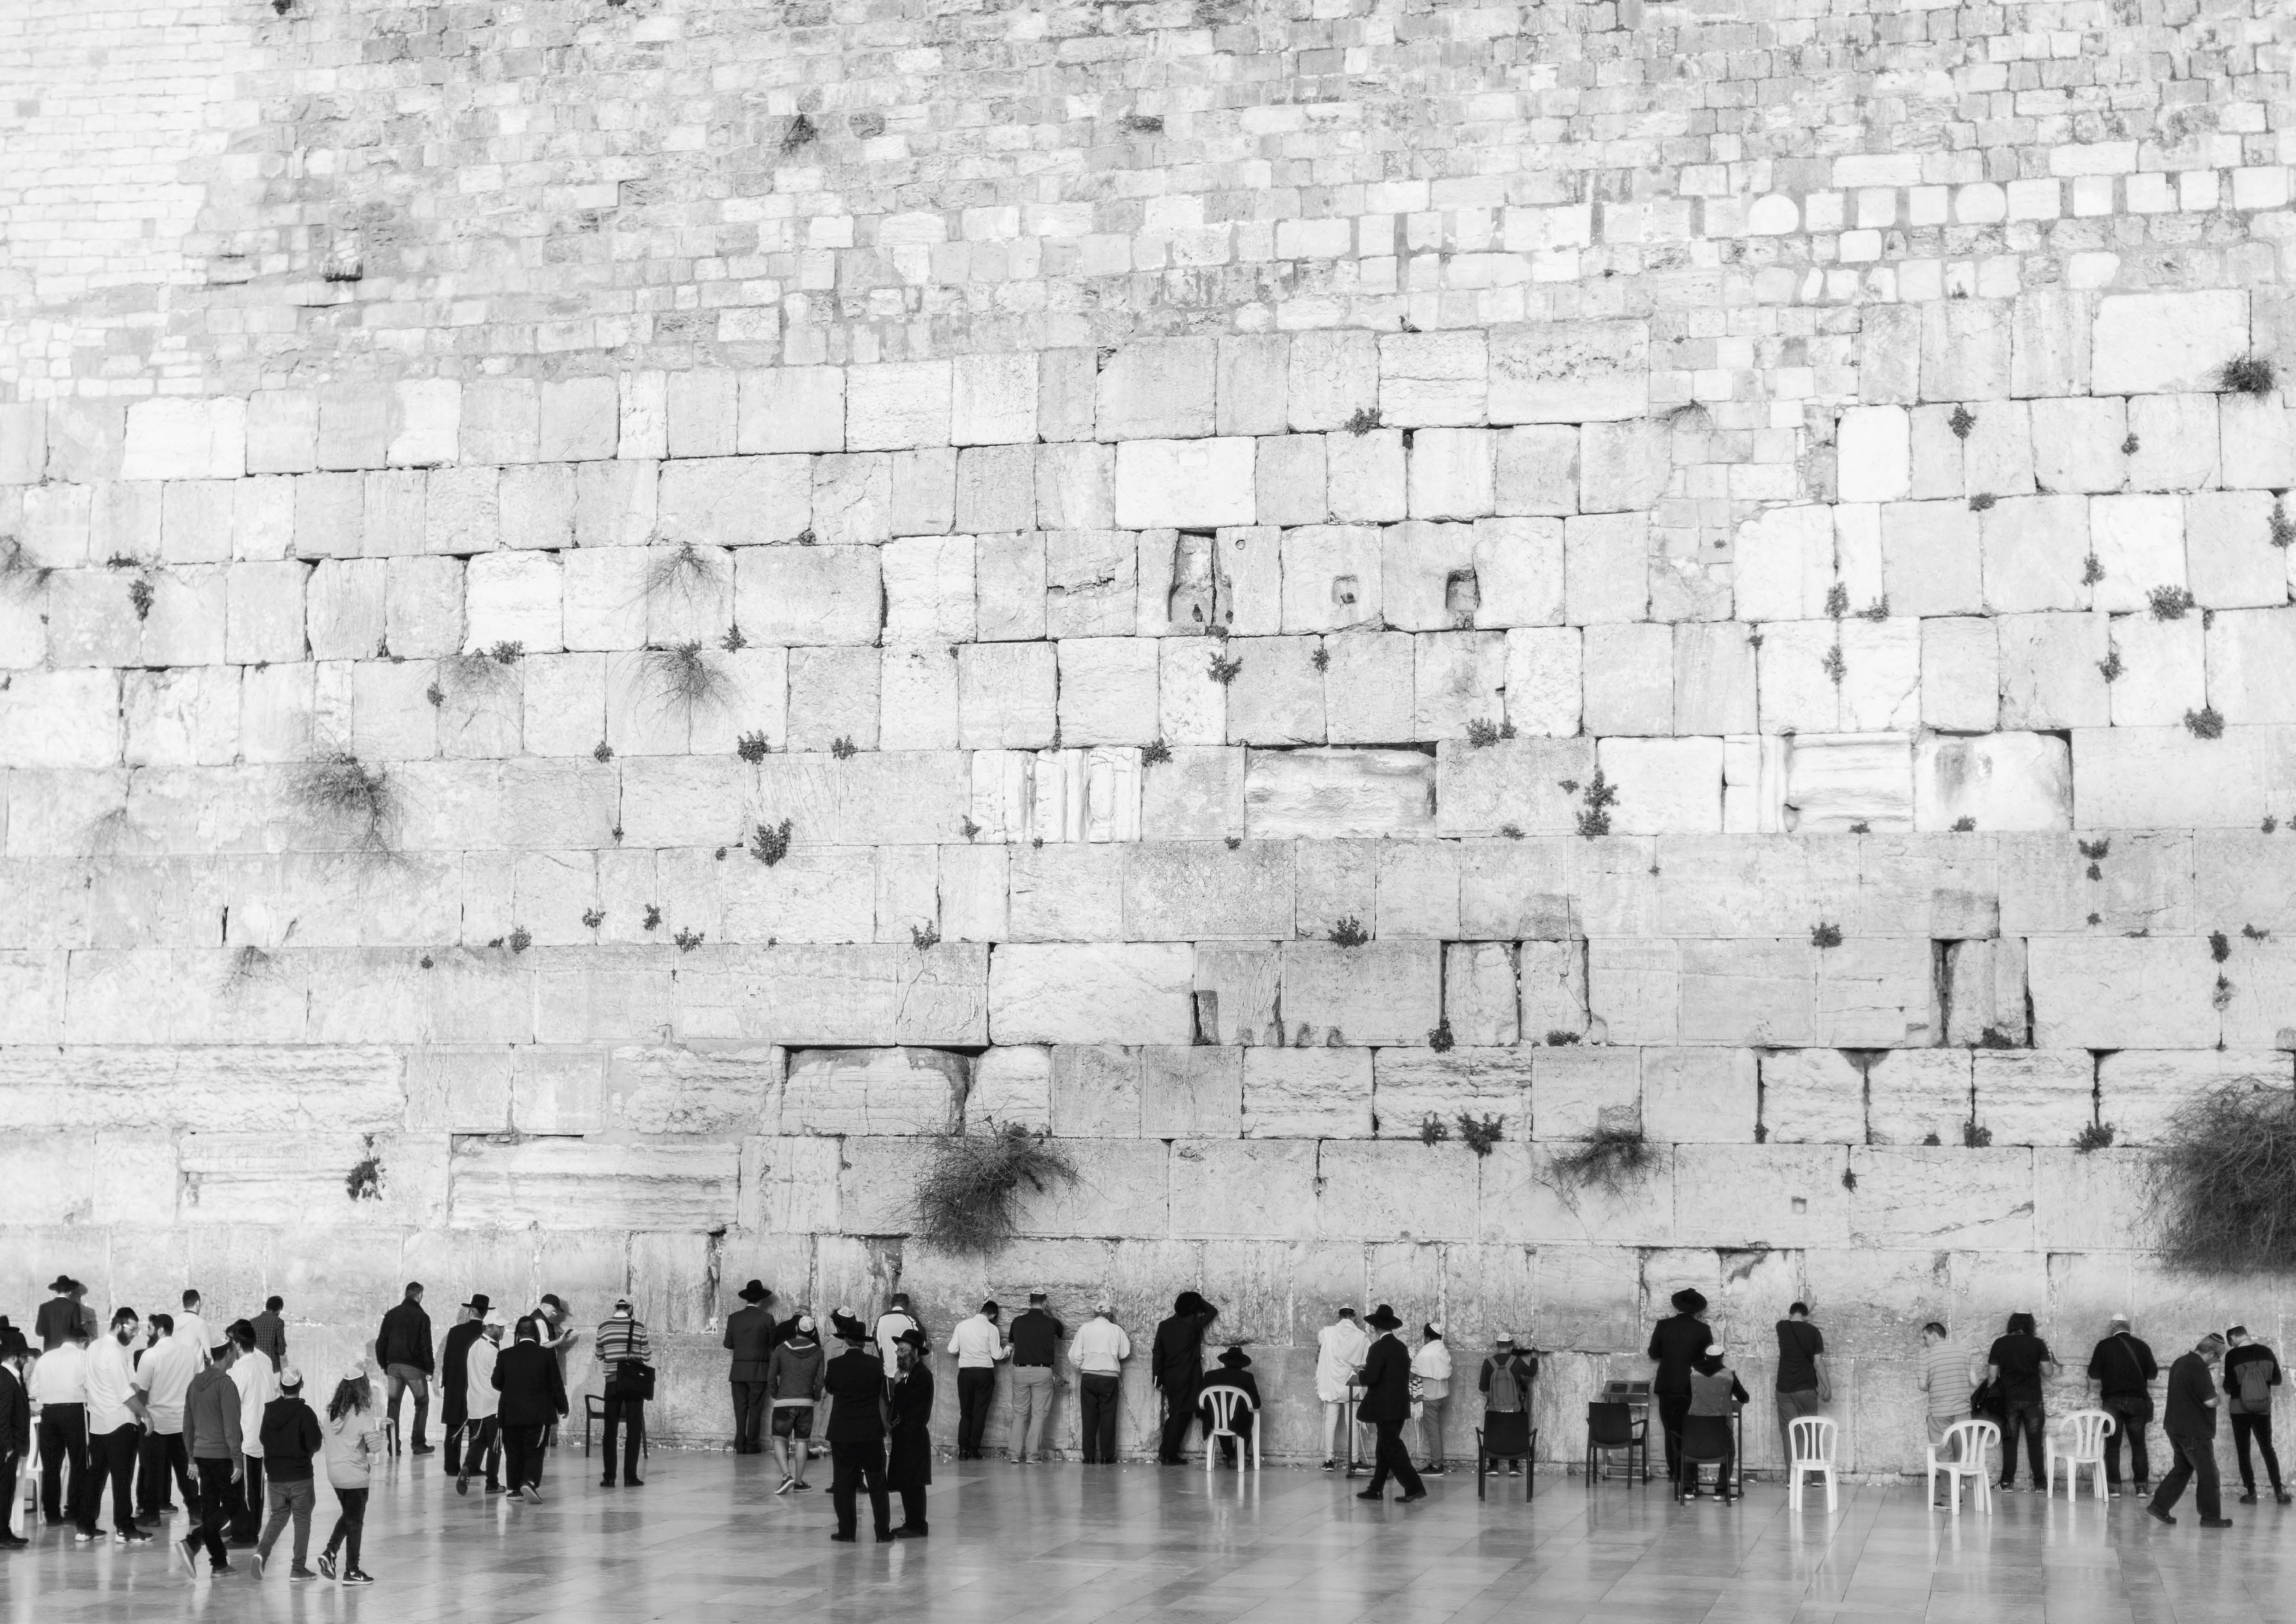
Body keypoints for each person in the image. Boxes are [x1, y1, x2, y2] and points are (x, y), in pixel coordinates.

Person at [2149, 1331, 2234, 1528]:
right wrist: (2221, 1397)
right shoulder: (2198, 1368)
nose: (2216, 1362)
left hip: (2175, 1426)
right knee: (2209, 1473)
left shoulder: (2180, 1362)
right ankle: (2210, 1517)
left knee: (2183, 1468)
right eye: (2217, 1358)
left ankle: (2159, 1506)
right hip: (2195, 1430)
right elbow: (2210, 1401)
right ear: (2211, 1354)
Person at [822, 1311, 892, 1543]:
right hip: (871, 1432)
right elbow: (880, 1390)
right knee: (878, 1484)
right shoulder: (876, 1365)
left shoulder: (835, 1364)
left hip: (843, 1433)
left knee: (844, 1484)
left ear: (846, 1341)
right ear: (863, 1343)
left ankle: (847, 1532)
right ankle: (882, 1532)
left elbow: (830, 1389)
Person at [85, 1306, 151, 1545]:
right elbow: (124, 1393)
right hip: (119, 1424)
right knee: (122, 1480)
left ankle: (85, 1527)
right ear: (119, 1325)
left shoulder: (93, 1348)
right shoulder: (114, 1352)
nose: (134, 1334)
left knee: (96, 1477)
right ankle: (124, 1529)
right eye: (132, 1329)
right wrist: (145, 1414)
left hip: (98, 1422)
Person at [177, 1338, 243, 1576]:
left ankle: (219, 1563)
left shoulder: (195, 1383)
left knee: (210, 1508)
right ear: (228, 1353)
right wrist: (237, 1460)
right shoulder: (226, 1384)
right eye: (234, 1351)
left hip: (202, 1455)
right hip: (223, 1456)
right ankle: (193, 1541)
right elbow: (231, 1426)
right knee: (234, 1503)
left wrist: (191, 1457)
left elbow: (188, 1423)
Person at [250, 1364, 322, 1580]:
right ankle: (298, 1568)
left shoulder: (269, 1412)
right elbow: (315, 1443)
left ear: (281, 1387)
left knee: (279, 1516)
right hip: (300, 1476)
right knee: (302, 1520)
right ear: (302, 1385)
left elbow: (263, 1438)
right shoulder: (305, 1413)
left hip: (275, 1477)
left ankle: (262, 1553)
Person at [132, 1311, 199, 1520]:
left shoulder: (150, 1355)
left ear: (161, 1330)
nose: (148, 1332)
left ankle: (152, 1515)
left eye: (151, 1328)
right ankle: (196, 1512)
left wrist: (139, 1416)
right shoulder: (189, 1353)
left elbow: (141, 1390)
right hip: (182, 1422)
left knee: (153, 1471)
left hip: (156, 1421)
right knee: (185, 1471)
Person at [1354, 1305, 1425, 1503]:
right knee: (1384, 1448)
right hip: (1400, 1406)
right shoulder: (1401, 1348)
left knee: (1392, 1448)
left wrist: (1361, 1373)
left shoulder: (1377, 1348)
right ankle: (1375, 1488)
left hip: (1384, 1408)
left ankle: (1415, 1487)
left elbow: (1372, 1378)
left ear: (1375, 1328)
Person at [494, 1316, 567, 1503]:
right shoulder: (546, 1355)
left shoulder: (505, 1355)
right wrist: (563, 1407)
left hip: (511, 1412)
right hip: (538, 1413)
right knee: (534, 1449)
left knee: (513, 1451)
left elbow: (497, 1382)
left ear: (517, 1334)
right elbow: (556, 1384)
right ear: (536, 1334)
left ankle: (515, 1490)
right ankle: (529, 1481)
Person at [317, 1365, 380, 1583]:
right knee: (355, 1522)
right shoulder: (363, 1414)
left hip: (335, 1475)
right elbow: (375, 1447)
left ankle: (330, 1553)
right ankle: (352, 1571)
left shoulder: (330, 1413)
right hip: (355, 1476)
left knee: (349, 1516)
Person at [2086, 1312, 2157, 1499]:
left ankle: (2114, 1488)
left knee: (2112, 1445)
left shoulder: (2104, 1346)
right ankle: (2141, 1487)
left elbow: (2093, 1374)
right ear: (2129, 1327)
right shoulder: (2142, 1346)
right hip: (2137, 1401)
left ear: (2113, 1327)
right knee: (2139, 1445)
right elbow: (2153, 1374)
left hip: (2112, 1402)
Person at [1986, 1311, 2059, 1491]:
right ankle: (2040, 1484)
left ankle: (2006, 1483)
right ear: (2030, 1325)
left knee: (2010, 1443)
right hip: (2033, 1400)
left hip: (2009, 1400)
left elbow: (1992, 1377)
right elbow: (2048, 1372)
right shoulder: (2038, 1344)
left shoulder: (2000, 1344)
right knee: (2035, 1443)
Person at [30, 1318, 90, 1530]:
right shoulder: (83, 1357)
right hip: (75, 1410)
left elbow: (34, 1391)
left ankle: (52, 1514)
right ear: (83, 1342)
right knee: (79, 1462)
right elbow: (90, 1385)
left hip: (49, 1413)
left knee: (51, 1465)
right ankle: (73, 1510)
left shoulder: (46, 1357)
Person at [1647, 1288, 1710, 1480]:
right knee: (1689, 1430)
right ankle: (1689, 1474)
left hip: (1667, 1386)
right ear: (1696, 1310)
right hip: (1691, 1387)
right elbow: (1708, 1359)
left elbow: (1653, 1353)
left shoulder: (1663, 1326)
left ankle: (1674, 1472)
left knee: (1670, 1431)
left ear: (1678, 1306)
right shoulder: (1703, 1330)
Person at [2223, 1324, 2289, 1505]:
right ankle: (2279, 1492)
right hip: (2263, 1408)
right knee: (2268, 1448)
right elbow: (2278, 1380)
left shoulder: (2232, 1356)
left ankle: (2251, 1493)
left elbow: (2228, 1386)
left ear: (2233, 1339)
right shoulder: (2267, 1352)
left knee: (2243, 1451)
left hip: (2239, 1409)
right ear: (2246, 1334)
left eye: (2230, 1342)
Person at [227, 1319, 279, 1544]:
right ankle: (248, 1529)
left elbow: (231, 1404)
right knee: (256, 1489)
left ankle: (246, 1534)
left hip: (247, 1438)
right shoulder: (265, 1364)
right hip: (264, 1436)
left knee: (246, 1489)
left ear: (238, 1345)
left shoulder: (241, 1369)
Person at [1153, 1291, 1218, 1464]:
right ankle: (1170, 1454)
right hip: (1188, 1375)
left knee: (1175, 1412)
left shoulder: (1164, 1325)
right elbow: (1212, 1311)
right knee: (1182, 1413)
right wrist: (1200, 1303)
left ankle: (1165, 1451)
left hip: (1169, 1376)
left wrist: (1157, 1377)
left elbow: (1158, 1352)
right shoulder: (1194, 1324)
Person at [594, 1297, 651, 1489]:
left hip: (612, 1383)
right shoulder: (639, 1327)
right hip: (633, 1384)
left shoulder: (603, 1327)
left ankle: (609, 1477)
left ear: (615, 1307)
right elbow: (647, 1356)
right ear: (630, 1308)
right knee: (634, 1429)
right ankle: (630, 1477)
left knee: (610, 1430)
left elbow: (599, 1355)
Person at [1685, 1340, 1750, 1499]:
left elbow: (1687, 1394)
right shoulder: (1728, 1375)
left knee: (1688, 1449)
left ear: (1706, 1357)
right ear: (1722, 1357)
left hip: (1695, 1425)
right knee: (1730, 1451)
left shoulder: (1693, 1373)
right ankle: (1721, 1491)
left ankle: (1688, 1489)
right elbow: (1744, 1398)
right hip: (1721, 1426)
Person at [767, 1314, 824, 1493]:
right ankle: (799, 1482)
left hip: (784, 1401)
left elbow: (771, 1376)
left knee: (779, 1439)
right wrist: (815, 1396)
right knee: (802, 1441)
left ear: (796, 1329)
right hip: (806, 1403)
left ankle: (787, 1476)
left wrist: (776, 1394)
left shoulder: (781, 1349)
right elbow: (820, 1380)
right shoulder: (818, 1352)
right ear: (813, 1333)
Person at [1917, 1322, 1974, 1504]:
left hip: (1939, 1413)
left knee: (1944, 1455)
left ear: (1935, 1335)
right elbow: (1974, 1381)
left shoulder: (1926, 1355)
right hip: (1963, 1412)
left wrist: (1934, 1384)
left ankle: (1949, 1498)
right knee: (1959, 1455)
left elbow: (1922, 1385)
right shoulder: (1963, 1352)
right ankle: (1957, 1496)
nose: (1923, 1342)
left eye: (1925, 1337)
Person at [886, 1327, 935, 1537]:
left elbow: (909, 1404)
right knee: (906, 1482)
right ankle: (911, 1522)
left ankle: (918, 1525)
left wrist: (898, 1386)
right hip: (905, 1434)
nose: (899, 1354)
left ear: (915, 1352)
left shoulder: (922, 1375)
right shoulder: (910, 1374)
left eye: (904, 1351)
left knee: (915, 1483)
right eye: (898, 1350)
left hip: (914, 1435)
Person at [375, 1282, 434, 1456]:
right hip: (414, 1368)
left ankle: (393, 1447)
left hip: (393, 1367)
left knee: (393, 1405)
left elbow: (380, 1343)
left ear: (406, 1294)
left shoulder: (391, 1315)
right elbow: (426, 1346)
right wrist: (430, 1370)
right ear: (419, 1296)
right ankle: (418, 1444)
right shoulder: (422, 1317)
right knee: (422, 1403)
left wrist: (385, 1365)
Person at [945, 1299, 1007, 1461]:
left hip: (965, 1373)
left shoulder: (962, 1325)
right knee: (980, 1413)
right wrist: (1008, 1350)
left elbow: (952, 1349)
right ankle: (974, 1450)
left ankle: (963, 1450)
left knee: (966, 1412)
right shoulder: (992, 1328)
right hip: (984, 1373)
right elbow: (997, 1355)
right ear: (993, 1315)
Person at [1008, 1289, 1064, 1464]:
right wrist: (1053, 1312)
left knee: (1019, 1414)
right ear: (1045, 1303)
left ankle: (1014, 1455)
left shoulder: (1017, 1321)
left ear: (1029, 1302)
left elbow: (1012, 1343)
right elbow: (1062, 1331)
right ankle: (1032, 1456)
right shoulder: (1051, 1322)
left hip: (1020, 1371)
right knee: (1039, 1415)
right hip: (1042, 1372)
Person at [1070, 1300, 1130, 1464]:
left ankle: (1089, 1456)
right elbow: (1125, 1353)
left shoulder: (1085, 1328)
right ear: (1110, 1315)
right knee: (1108, 1416)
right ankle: (1106, 1456)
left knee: (1089, 1417)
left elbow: (1075, 1356)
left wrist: (1085, 1364)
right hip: (1109, 1377)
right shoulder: (1116, 1330)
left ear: (1094, 1314)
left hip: (1089, 1376)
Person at [725, 1280, 778, 1455]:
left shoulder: (734, 1318)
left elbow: (728, 1344)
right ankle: (753, 1445)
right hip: (759, 1371)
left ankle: (740, 1445)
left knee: (740, 1410)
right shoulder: (768, 1319)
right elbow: (773, 1344)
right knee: (755, 1409)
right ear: (761, 1300)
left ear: (746, 1299)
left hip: (738, 1371)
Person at [1773, 1302, 1828, 1470]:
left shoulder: (1782, 1327)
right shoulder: (1814, 1332)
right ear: (1806, 1316)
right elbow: (1818, 1363)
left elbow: (1793, 1320)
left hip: (1784, 1389)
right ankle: (1816, 1474)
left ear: (1790, 1314)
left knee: (1789, 1432)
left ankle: (1793, 1476)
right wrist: (1828, 1388)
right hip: (1806, 1389)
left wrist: (1806, 1309)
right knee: (1811, 1431)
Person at [456, 1310, 506, 1496]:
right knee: (495, 1446)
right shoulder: (492, 1351)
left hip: (476, 1404)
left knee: (479, 1442)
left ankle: (467, 1468)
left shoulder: (475, 1346)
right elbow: (499, 1378)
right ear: (489, 1327)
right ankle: (492, 1484)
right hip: (492, 1404)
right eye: (500, 1327)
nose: (503, 1331)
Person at [439, 1293, 488, 1478]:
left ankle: (451, 1468)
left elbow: (447, 1360)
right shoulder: (486, 1334)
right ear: (485, 1313)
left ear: (471, 1311)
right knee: (478, 1429)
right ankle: (472, 1466)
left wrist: (445, 1383)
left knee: (454, 1428)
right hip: (478, 1387)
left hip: (456, 1386)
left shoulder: (455, 1332)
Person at [1315, 1306, 1368, 1470]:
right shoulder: (1361, 1336)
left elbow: (1319, 1358)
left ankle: (1329, 1461)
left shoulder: (1327, 1333)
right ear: (1353, 1317)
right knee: (1352, 1424)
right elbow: (1368, 1359)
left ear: (1339, 1317)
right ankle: (1354, 1461)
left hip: (1332, 1384)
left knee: (1330, 1423)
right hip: (1352, 1385)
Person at [1479, 1333, 1538, 1477]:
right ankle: (1513, 1466)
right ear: (1511, 1347)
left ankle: (1493, 1466)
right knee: (1514, 1434)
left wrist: (1495, 1399)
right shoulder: (1516, 1362)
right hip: (1514, 1408)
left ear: (1497, 1346)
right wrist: (1534, 1358)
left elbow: (1483, 1388)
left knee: (1494, 1433)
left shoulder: (1488, 1363)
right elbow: (1532, 1372)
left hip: (1495, 1409)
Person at [1196, 1345, 1260, 1465]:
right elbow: (1257, 1404)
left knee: (1220, 1417)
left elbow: (1200, 1402)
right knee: (1248, 1418)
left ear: (1225, 1363)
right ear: (1242, 1365)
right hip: (1238, 1422)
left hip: (1215, 1421)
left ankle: (1229, 1455)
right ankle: (1238, 1456)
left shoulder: (1210, 1376)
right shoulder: (1247, 1377)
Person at [0, 1321, 29, 1548]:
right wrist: (9, 1447)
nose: (26, 1361)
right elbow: (3, 1415)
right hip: (6, 1448)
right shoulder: (6, 1379)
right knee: (3, 1491)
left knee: (7, 1490)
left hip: (10, 1447)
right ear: (13, 1357)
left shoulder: (11, 1376)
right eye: (23, 1357)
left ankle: (5, 1531)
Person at [1412, 1324, 1452, 1474]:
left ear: (1427, 1338)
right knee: (1435, 1430)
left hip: (1430, 1397)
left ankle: (1436, 1466)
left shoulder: (1426, 1352)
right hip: (1442, 1395)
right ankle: (1436, 1463)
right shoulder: (1442, 1350)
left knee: (1433, 1432)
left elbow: (1412, 1374)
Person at [36, 1277, 95, 1351]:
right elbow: (78, 1331)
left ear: (57, 1291)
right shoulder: (74, 1306)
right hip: (67, 1351)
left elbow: (39, 1332)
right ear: (70, 1291)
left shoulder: (44, 1307)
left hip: (49, 1351)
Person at [872, 1293, 922, 1369]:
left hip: (887, 1370)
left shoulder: (881, 1319)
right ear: (907, 1305)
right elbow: (922, 1343)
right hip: (907, 1370)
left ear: (892, 1305)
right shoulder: (911, 1319)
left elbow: (876, 1345)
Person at [249, 1297, 288, 1371]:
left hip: (255, 1366)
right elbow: (282, 1349)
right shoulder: (278, 1322)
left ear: (267, 1306)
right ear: (279, 1309)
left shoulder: (252, 1322)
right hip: (272, 1367)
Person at [174, 1292, 211, 1362]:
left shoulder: (174, 1321)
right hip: (193, 1368)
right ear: (198, 1303)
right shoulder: (200, 1323)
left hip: (177, 1367)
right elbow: (209, 1352)